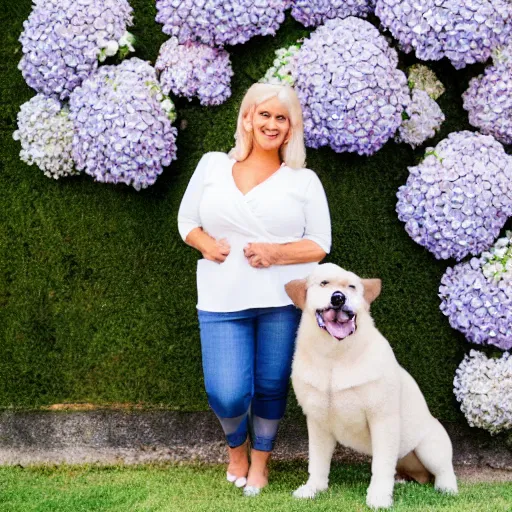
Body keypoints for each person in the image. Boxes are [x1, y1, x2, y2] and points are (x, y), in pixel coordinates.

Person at [177, 83, 331, 495]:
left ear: (291, 128)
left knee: (270, 384)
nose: (272, 123)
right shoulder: (211, 166)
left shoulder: (303, 180)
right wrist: (205, 242)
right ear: (247, 118)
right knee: (226, 393)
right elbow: (186, 220)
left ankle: (261, 462)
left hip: (281, 301)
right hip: (220, 297)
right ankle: (237, 451)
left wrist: (275, 253)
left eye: (281, 118)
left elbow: (320, 243)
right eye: (264, 114)